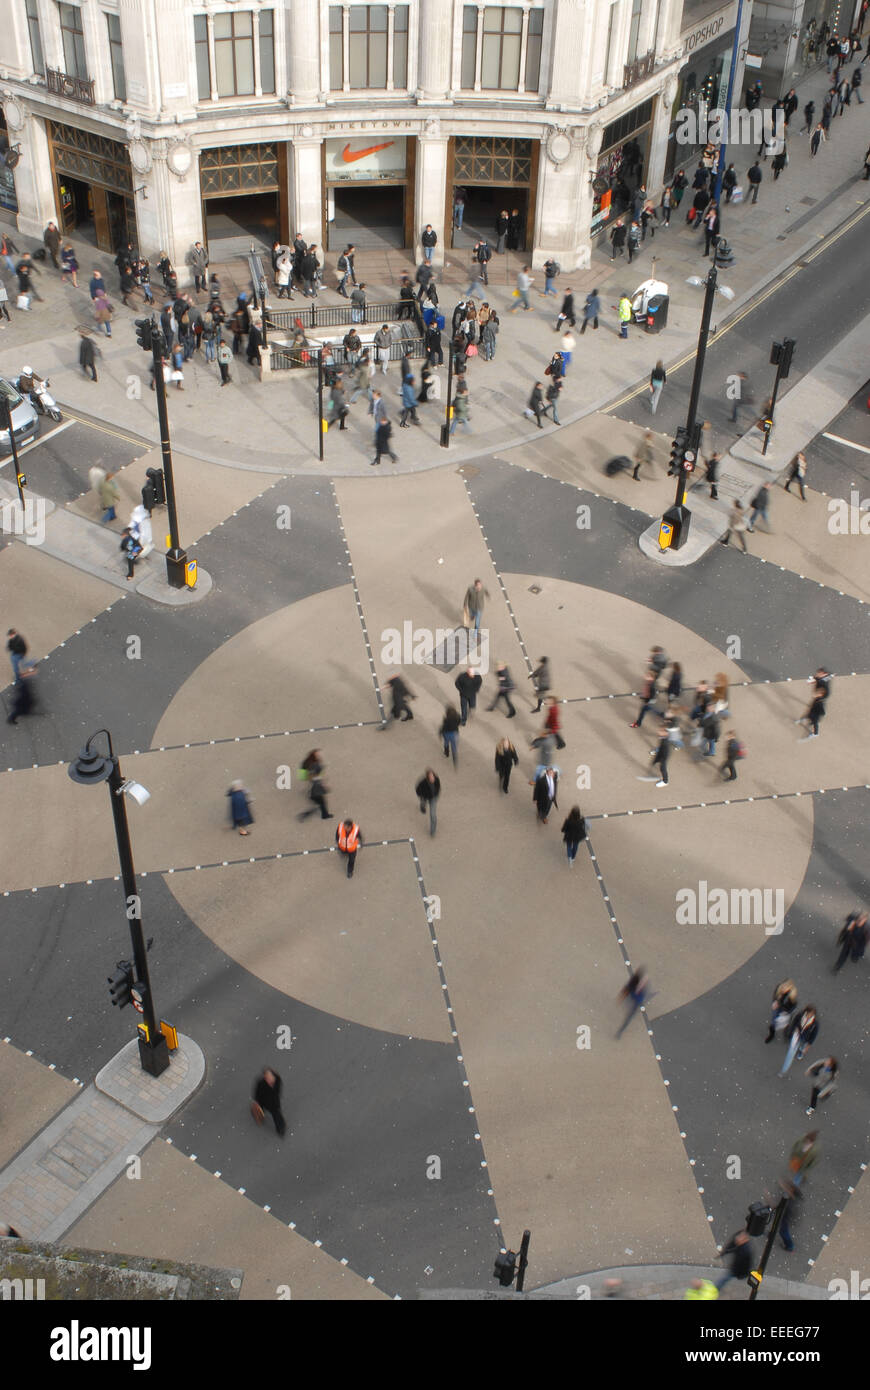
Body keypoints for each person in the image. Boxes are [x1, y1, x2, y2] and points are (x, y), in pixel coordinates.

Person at [780, 1007, 819, 1076]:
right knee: (790, 1054)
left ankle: (801, 1051)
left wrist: (808, 1046)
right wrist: (793, 1030)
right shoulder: (800, 1015)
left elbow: (813, 1036)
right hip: (797, 1035)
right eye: (809, 1014)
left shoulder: (815, 1024)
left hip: (805, 1039)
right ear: (806, 1012)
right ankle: (784, 1070)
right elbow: (794, 1023)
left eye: (811, 1015)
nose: (809, 1016)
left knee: (802, 1046)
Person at [616, 968, 650, 1038]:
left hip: (636, 1000)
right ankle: (620, 1031)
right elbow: (627, 990)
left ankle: (620, 1031)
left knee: (629, 1017)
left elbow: (626, 990)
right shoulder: (635, 983)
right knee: (629, 1016)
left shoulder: (634, 983)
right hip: (636, 1000)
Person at [251, 1067, 285, 1136]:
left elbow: (278, 1090)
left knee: (276, 1115)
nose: (269, 1079)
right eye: (267, 1077)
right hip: (263, 1100)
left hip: (273, 1103)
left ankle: (280, 1128)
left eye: (270, 1077)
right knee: (260, 1109)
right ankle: (260, 1115)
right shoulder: (261, 1083)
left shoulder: (277, 1079)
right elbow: (257, 1092)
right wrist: (256, 1101)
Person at [765, 979, 798, 1044]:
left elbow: (791, 1008)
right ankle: (772, 1035)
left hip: (784, 1013)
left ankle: (787, 1033)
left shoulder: (791, 997)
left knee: (785, 1024)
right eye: (783, 986)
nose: (783, 989)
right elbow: (775, 995)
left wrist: (780, 1006)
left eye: (786, 987)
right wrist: (775, 1001)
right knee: (773, 1023)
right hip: (777, 1010)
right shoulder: (779, 988)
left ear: (790, 988)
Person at [415, 768, 441, 836]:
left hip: (433, 798)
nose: (432, 778)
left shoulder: (437, 779)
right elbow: (417, 788)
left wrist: (436, 794)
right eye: (430, 776)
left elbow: (438, 787)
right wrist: (421, 795)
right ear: (427, 777)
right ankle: (422, 806)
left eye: (432, 776)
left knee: (433, 815)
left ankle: (432, 831)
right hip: (425, 797)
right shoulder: (423, 782)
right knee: (423, 803)